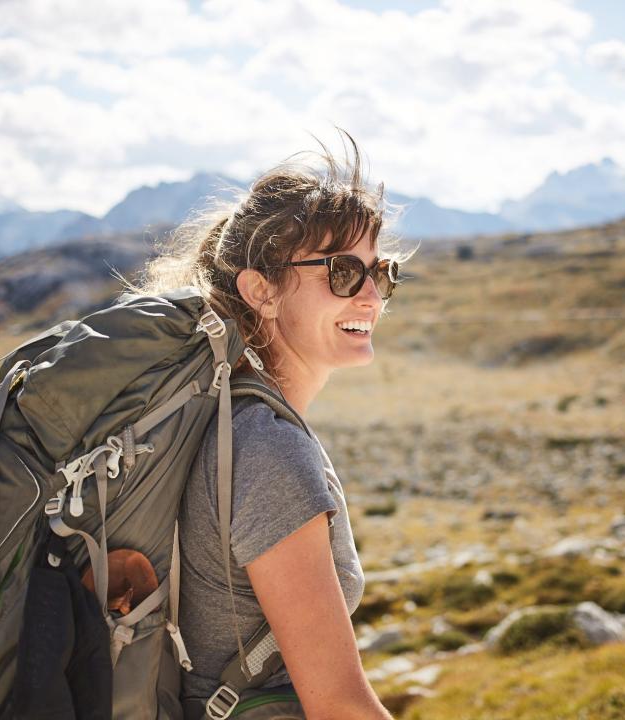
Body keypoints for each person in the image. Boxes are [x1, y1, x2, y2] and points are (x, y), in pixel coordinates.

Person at [138, 134, 402, 720]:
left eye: (379, 273)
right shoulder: (268, 448)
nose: (370, 297)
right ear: (261, 291)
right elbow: (338, 704)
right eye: (341, 272)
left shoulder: (234, 420)